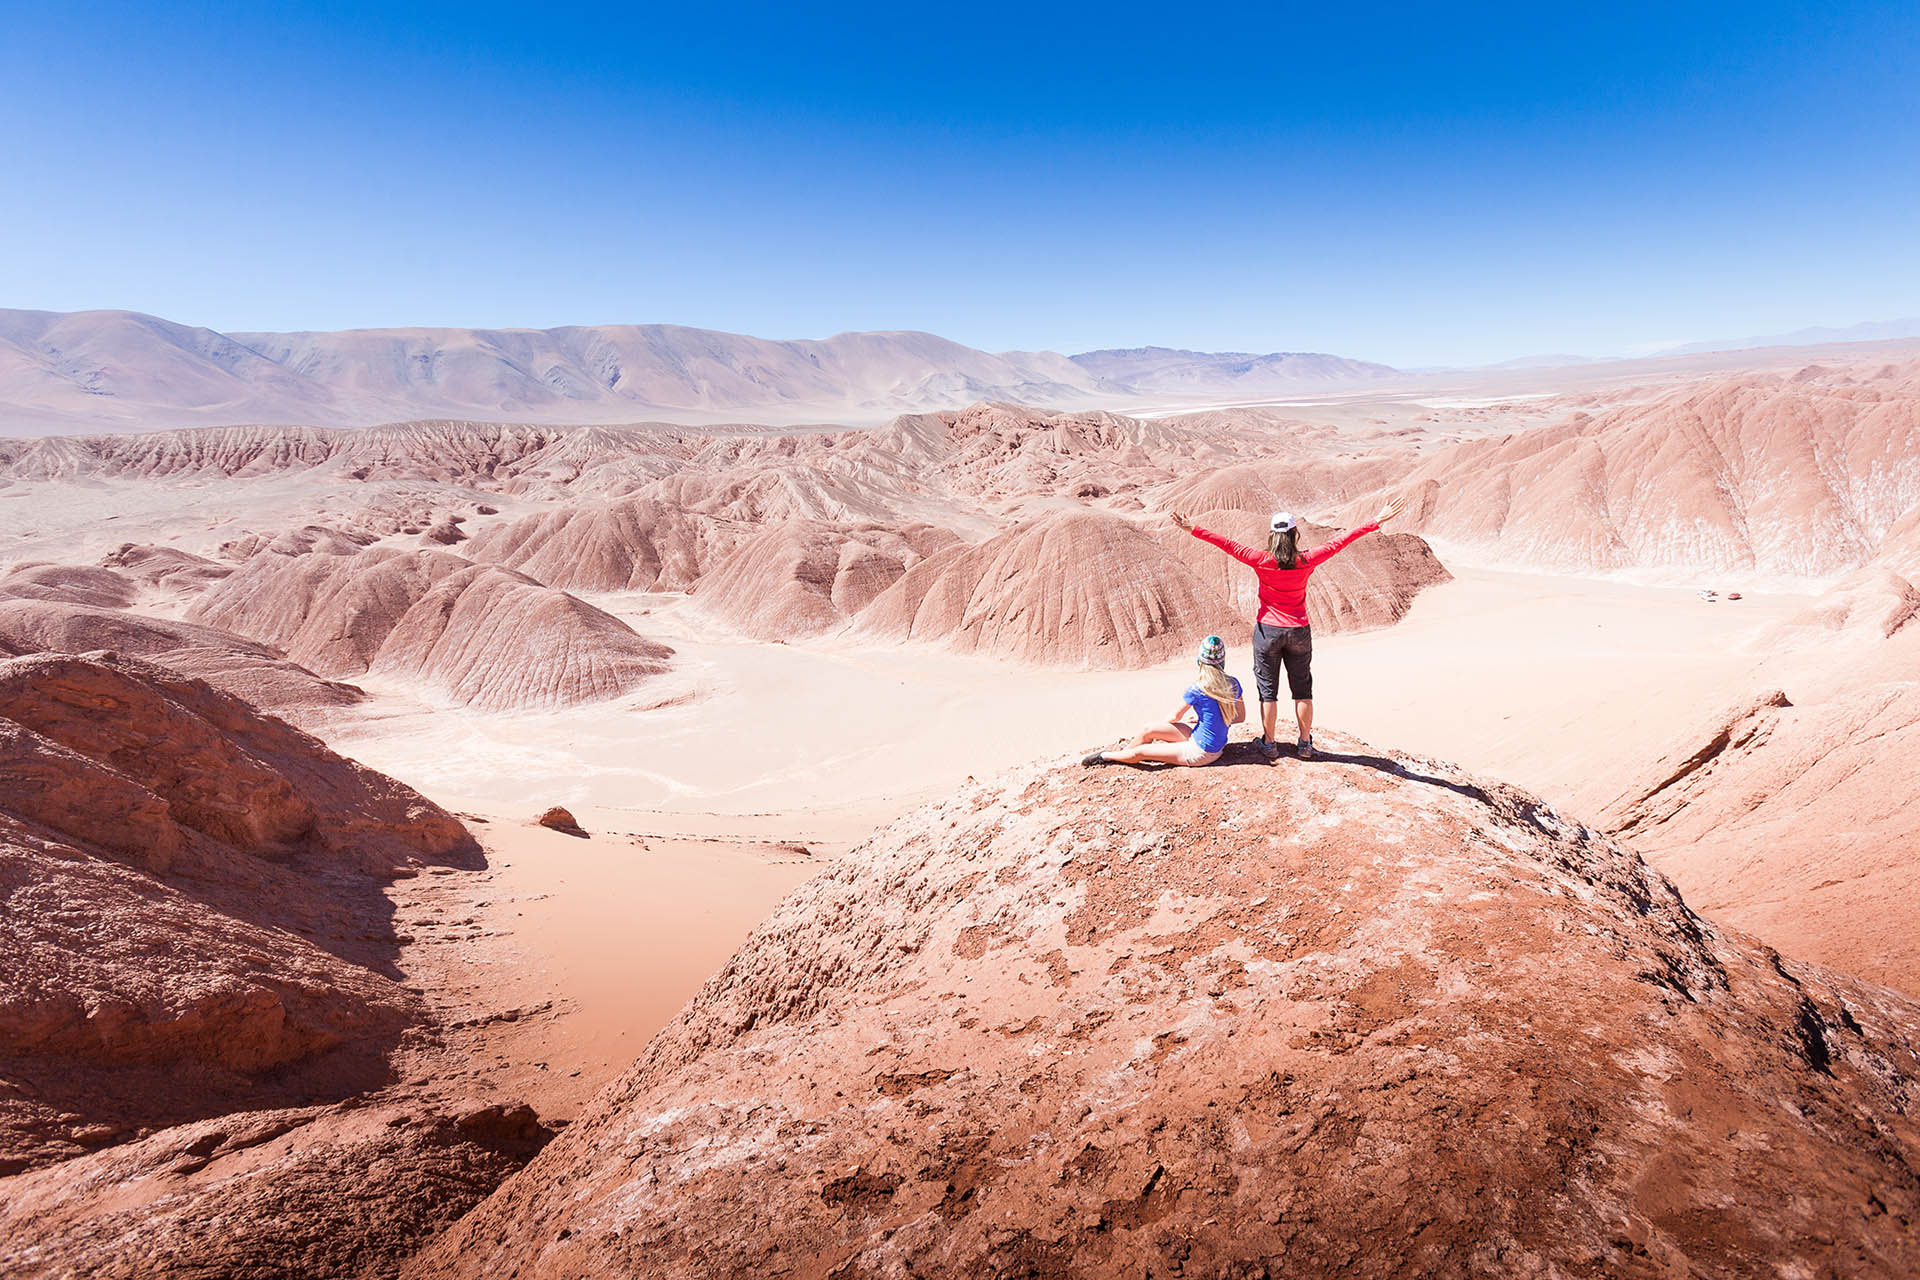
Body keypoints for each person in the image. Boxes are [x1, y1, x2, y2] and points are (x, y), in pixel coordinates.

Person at [1173, 496, 1408, 760]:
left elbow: (1228, 545)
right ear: (1295, 534)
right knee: (1302, 689)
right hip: (1299, 631)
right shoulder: (1306, 560)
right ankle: (1305, 743)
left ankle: (1269, 743)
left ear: (1272, 536)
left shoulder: (1261, 559)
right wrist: (1376, 520)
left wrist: (1193, 529)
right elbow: (1341, 541)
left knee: (1267, 691)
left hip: (1268, 632)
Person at [1083, 635, 1245, 767]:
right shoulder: (1233, 683)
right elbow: (1240, 717)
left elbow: (1174, 717)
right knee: (1148, 729)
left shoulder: (1197, 689)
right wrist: (1207, 718)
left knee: (1142, 752)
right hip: (1202, 739)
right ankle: (1124, 754)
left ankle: (1107, 756)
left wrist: (1165, 728)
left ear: (1200, 662)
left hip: (1201, 753)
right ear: (1222, 661)